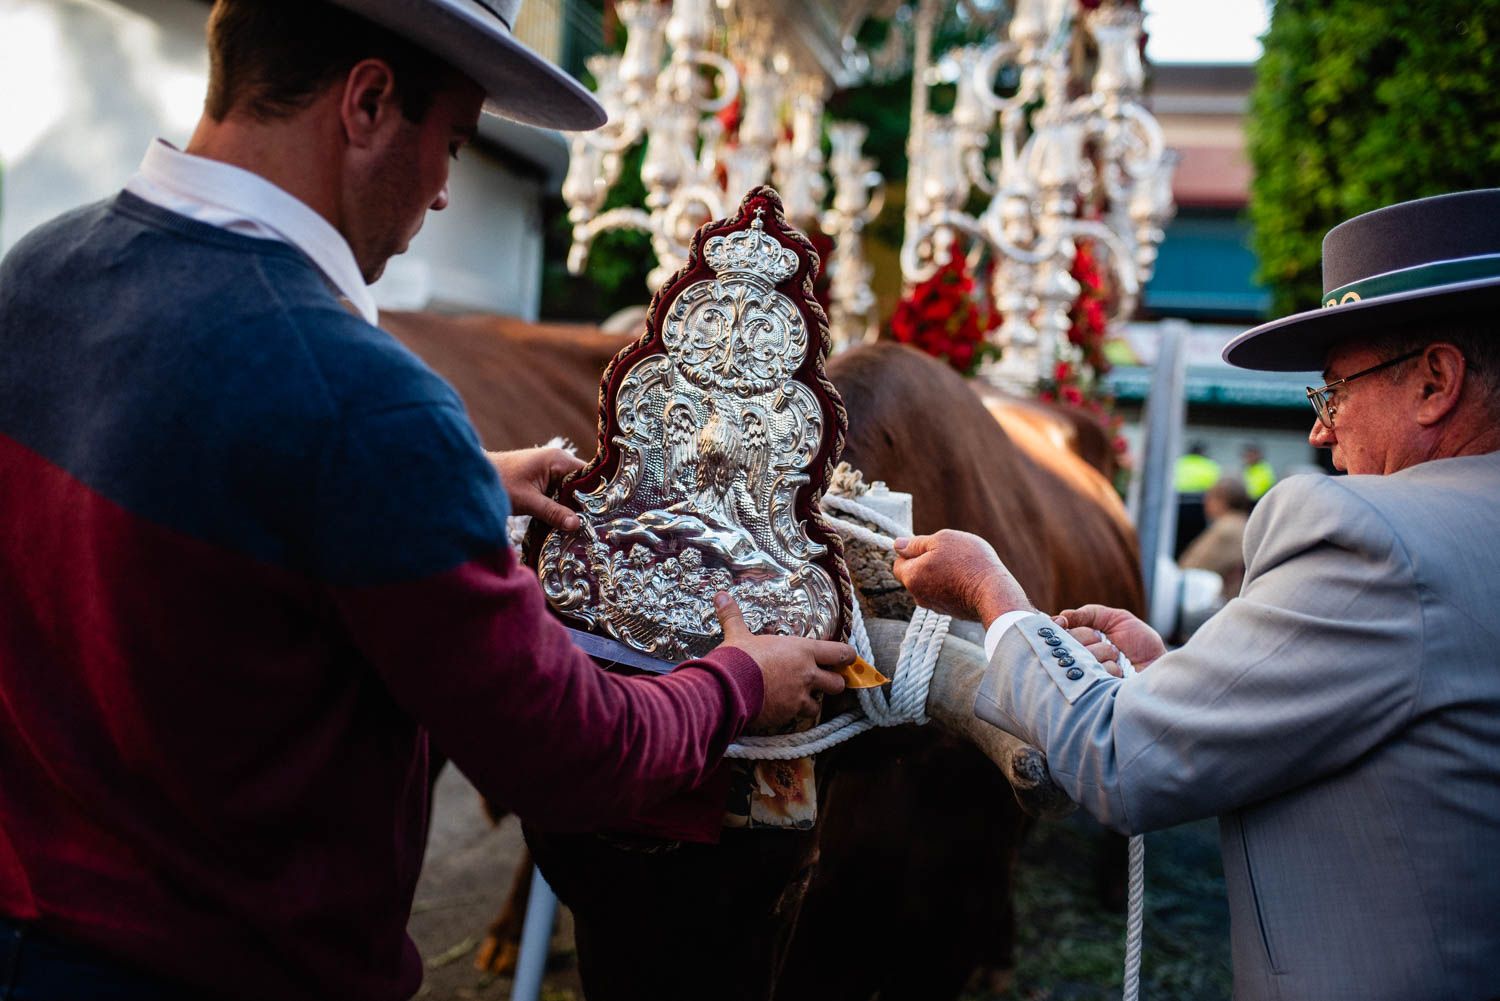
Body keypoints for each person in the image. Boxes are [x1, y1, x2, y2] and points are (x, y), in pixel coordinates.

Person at [0, 1, 852, 998]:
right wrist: (739, 681)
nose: (446, 191)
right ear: (366, 103)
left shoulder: (39, 268)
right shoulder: (368, 407)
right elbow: (563, 752)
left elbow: (170, 487)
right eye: (450, 141)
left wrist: (455, 482)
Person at [890, 189, 1500, 1001]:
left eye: (1335, 390)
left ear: (1434, 381)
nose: (1321, 429)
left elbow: (1118, 759)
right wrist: (1181, 672)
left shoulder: (1372, 532)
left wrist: (992, 590)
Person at [1178, 476, 1252, 597]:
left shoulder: (1227, 529)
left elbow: (1191, 568)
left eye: (1209, 497)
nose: (1205, 503)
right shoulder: (1244, 524)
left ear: (1222, 500)